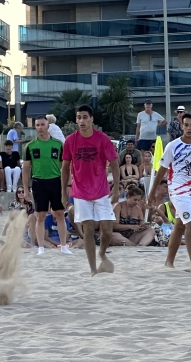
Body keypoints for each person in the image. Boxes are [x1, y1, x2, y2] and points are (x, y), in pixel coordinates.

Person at [63, 105, 120, 275]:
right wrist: (63, 192)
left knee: (107, 231)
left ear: (91, 119)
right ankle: (93, 269)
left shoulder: (102, 139)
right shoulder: (70, 140)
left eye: (85, 117)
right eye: (78, 117)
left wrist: (116, 188)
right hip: (80, 192)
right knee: (88, 230)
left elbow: (114, 164)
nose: (81, 121)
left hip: (101, 190)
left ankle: (102, 253)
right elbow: (65, 167)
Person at [148, 113, 191, 272]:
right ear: (182, 126)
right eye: (186, 125)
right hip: (177, 191)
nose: (188, 128)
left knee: (180, 226)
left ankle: (169, 262)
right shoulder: (172, 146)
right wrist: (152, 191)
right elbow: (161, 170)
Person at [22, 115, 70, 255]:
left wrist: (67, 185)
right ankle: (41, 248)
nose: (40, 128)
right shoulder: (30, 146)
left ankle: (63, 246)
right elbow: (26, 169)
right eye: (37, 125)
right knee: (40, 215)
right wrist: (26, 189)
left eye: (43, 124)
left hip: (56, 181)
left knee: (60, 214)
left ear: (48, 126)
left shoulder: (58, 144)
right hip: (39, 183)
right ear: (35, 127)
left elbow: (65, 167)